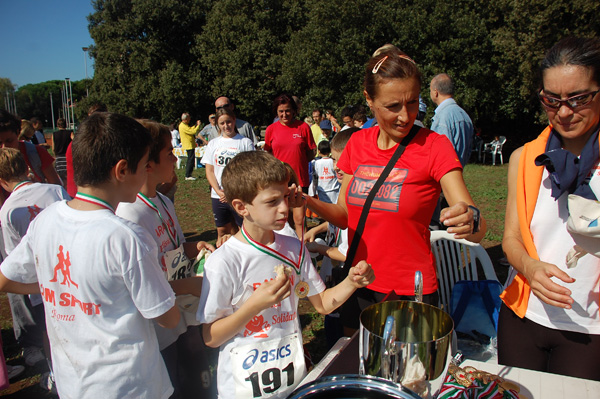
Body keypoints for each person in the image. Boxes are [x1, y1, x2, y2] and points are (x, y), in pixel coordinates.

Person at [293, 48, 486, 336]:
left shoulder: (435, 147)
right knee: (357, 366)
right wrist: (307, 201)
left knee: (410, 377)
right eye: (393, 106)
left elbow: (477, 226)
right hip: (357, 281)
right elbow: (344, 216)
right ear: (369, 100)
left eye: (412, 102)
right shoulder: (357, 144)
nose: (405, 116)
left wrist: (470, 219)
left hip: (410, 290)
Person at [0, 112, 180, 398]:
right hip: (131, 386)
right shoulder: (128, 237)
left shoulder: (45, 220)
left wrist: (59, 288)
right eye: (145, 165)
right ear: (122, 170)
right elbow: (167, 318)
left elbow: (6, 278)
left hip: (74, 383)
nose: (147, 171)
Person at [197, 150, 374, 399]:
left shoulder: (293, 248)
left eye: (285, 198)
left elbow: (322, 304)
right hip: (242, 389)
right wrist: (254, 305)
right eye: (271, 202)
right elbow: (211, 336)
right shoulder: (224, 261)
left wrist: (352, 282)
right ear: (241, 207)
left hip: (290, 382)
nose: (284, 209)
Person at [499, 36, 600, 381]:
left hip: (589, 330)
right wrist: (529, 265)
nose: (565, 111)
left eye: (578, 98)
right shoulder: (525, 158)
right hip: (522, 318)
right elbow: (510, 238)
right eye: (552, 100)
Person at [116, 119, 216, 397]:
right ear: (148, 163)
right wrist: (192, 286)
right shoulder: (129, 215)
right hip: (161, 325)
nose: (175, 159)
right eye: (169, 153)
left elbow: (176, 246)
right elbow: (141, 286)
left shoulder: (162, 201)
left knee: (198, 377)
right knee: (176, 383)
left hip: (183, 309)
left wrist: (198, 247)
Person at [0, 148, 70, 390]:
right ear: (27, 168)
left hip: (41, 286)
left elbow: (13, 258)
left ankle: (56, 374)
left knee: (50, 332)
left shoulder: (8, 210)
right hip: (71, 270)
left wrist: (36, 286)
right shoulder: (55, 190)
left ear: (2, 181)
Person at [200, 108, 255, 243]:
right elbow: (210, 171)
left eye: (229, 122)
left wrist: (233, 191)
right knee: (222, 232)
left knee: (245, 231)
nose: (226, 126)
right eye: (222, 123)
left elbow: (250, 171)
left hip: (239, 195)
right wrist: (219, 191)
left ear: (234, 120)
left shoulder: (245, 142)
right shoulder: (214, 143)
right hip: (218, 196)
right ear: (217, 125)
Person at [0, 110, 61, 186]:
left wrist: (36, 187)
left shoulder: (36, 153)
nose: (4, 147)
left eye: (9, 141)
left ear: (18, 132)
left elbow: (57, 187)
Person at [429, 73, 474, 167]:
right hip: (457, 173)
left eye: (430, 90)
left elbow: (441, 155)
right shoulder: (464, 115)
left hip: (443, 176)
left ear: (435, 92)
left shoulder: (442, 117)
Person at [178, 112, 201, 181]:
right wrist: (198, 126)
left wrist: (195, 125)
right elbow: (192, 132)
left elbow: (190, 129)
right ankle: (188, 175)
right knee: (190, 160)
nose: (190, 119)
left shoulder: (184, 125)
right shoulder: (182, 126)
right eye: (188, 118)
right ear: (185, 119)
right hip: (188, 145)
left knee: (191, 159)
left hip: (190, 144)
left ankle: (189, 174)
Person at [52, 118, 72, 184]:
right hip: (68, 157)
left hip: (59, 157)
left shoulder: (54, 134)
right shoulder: (70, 133)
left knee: (61, 178)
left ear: (57, 125)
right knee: (69, 177)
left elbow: (53, 148)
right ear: (65, 125)